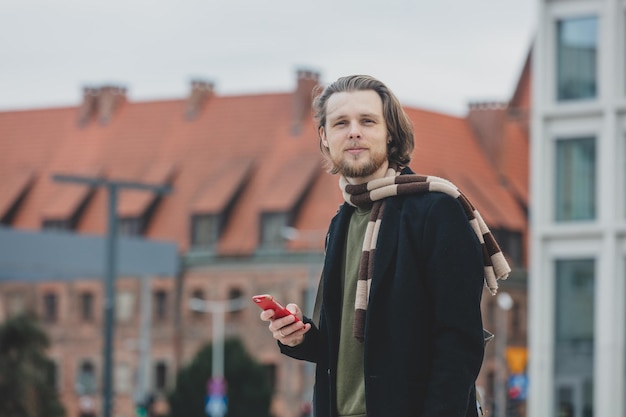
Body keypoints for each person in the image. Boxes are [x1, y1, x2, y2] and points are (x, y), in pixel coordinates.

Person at [259, 75, 510, 417]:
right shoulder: (341, 221)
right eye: (341, 123)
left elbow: (459, 344)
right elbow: (345, 349)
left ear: (389, 131)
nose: (353, 132)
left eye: (367, 121)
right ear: (325, 137)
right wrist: (299, 337)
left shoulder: (436, 210)